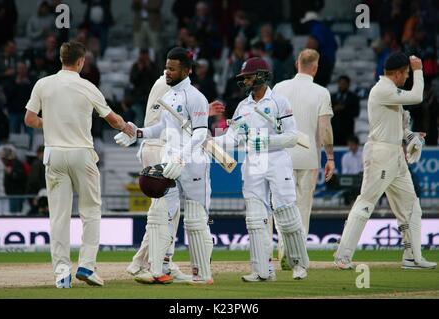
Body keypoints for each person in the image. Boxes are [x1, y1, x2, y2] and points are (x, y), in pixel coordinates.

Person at [24, 41, 136, 289]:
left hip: (53, 154)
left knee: (59, 216)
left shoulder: (43, 84)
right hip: (81, 154)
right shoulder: (87, 86)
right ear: (81, 61)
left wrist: (51, 124)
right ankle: (87, 266)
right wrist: (127, 128)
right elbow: (111, 118)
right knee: (91, 211)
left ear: (61, 59)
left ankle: (62, 274)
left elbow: (30, 119)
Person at [115, 47, 215, 285]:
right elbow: (162, 128)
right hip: (170, 164)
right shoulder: (168, 96)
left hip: (192, 165)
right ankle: (158, 271)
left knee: (195, 220)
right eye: (166, 67)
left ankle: (203, 275)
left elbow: (201, 133)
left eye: (172, 68)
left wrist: (182, 157)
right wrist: (138, 132)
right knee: (163, 216)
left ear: (186, 70)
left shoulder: (195, 97)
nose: (167, 72)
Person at [334, 52, 437, 270]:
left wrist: (411, 136)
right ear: (398, 73)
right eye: (407, 73)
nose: (408, 77)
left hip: (395, 156)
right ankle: (343, 256)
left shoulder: (391, 92)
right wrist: (419, 69)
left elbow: (398, 128)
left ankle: (412, 256)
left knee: (412, 206)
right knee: (366, 203)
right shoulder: (383, 90)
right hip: (381, 154)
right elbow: (417, 96)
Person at [216, 57, 310, 281]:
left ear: (261, 76)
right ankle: (262, 270)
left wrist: (263, 141)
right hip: (253, 163)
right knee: (255, 218)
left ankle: (299, 264)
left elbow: (291, 137)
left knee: (286, 212)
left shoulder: (279, 101)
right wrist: (208, 141)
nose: (245, 80)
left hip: (277, 160)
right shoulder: (243, 106)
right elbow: (232, 138)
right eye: (244, 77)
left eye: (248, 76)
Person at [273, 49, 335, 268]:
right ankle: (296, 255)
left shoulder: (279, 88)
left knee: (282, 205)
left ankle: (283, 249)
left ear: (297, 63)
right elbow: (325, 128)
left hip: (281, 156)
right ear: (315, 68)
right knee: (302, 207)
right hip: (308, 158)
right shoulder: (321, 92)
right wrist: (330, 157)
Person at [331, 75, 360, 146]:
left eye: (344, 83)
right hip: (334, 130)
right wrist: (334, 109)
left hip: (348, 131)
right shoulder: (332, 97)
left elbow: (356, 113)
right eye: (340, 83)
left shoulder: (353, 97)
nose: (342, 85)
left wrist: (344, 109)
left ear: (348, 84)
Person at [0, 144, 27, 213]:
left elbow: (22, 177)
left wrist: (11, 173)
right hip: (13, 194)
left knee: (15, 214)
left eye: (3, 158)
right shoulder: (10, 164)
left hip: (16, 195)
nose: (2, 160)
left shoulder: (16, 164)